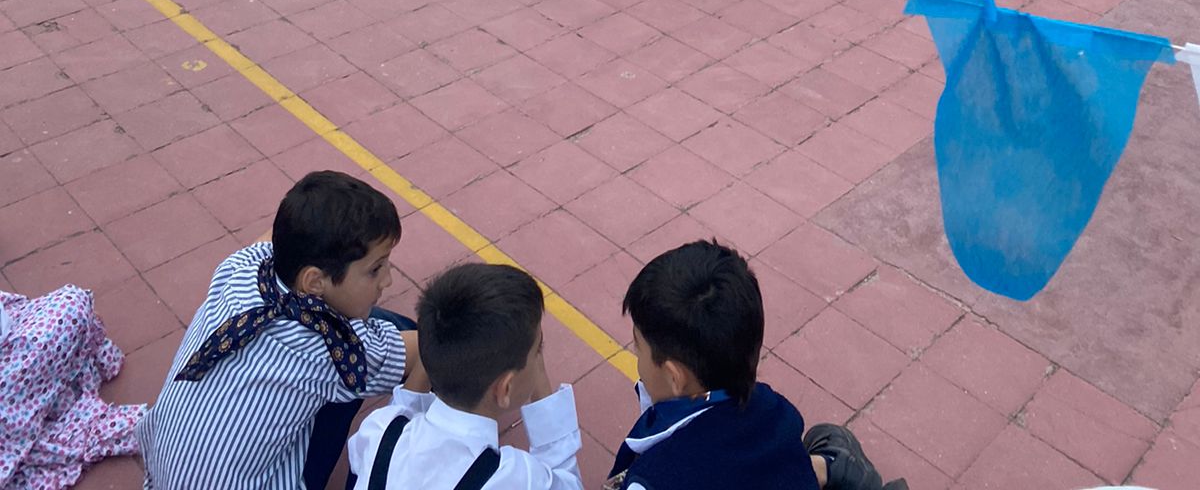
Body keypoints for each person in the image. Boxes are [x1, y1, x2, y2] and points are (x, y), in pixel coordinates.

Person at [138, 171, 419, 490]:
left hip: (164, 477)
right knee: (386, 342)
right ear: (314, 281)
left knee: (360, 343)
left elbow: (279, 234)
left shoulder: (241, 268)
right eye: (375, 269)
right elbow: (429, 349)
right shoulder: (335, 351)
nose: (387, 280)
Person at [612, 241, 899, 490]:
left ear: (675, 377)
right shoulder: (773, 409)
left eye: (638, 347)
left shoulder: (653, 478)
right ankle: (829, 467)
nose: (637, 356)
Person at [348, 262, 581, 490]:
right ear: (505, 389)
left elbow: (400, 414)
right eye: (538, 350)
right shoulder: (515, 478)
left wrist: (434, 352)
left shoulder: (380, 431)